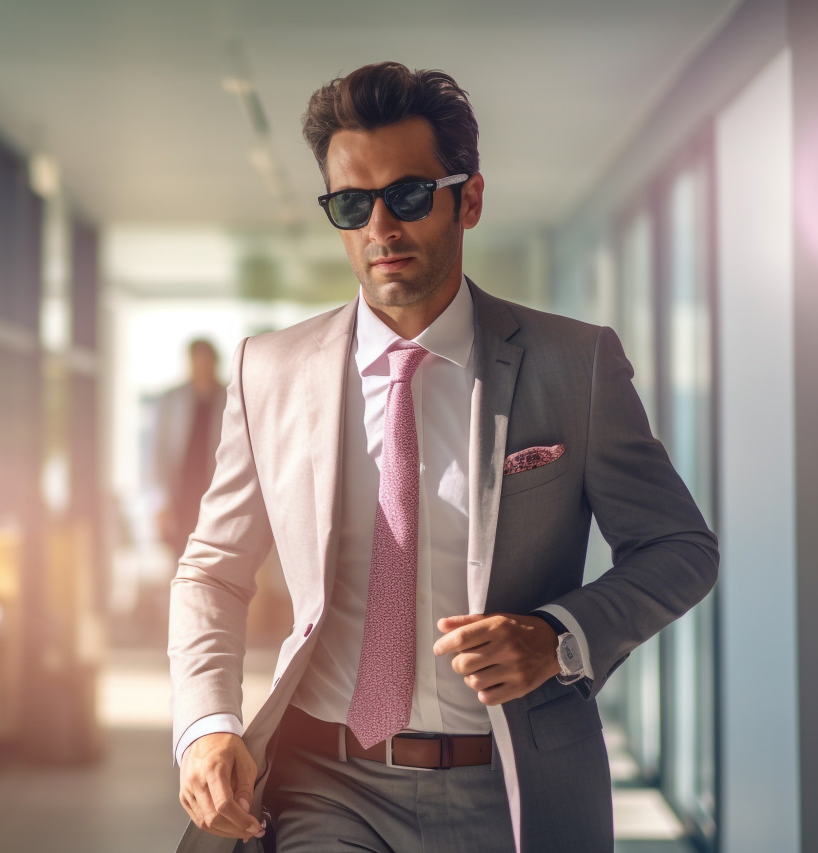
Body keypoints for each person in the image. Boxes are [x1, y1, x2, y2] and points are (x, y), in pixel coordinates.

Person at [168, 63, 717, 853]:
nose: (381, 227)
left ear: (471, 199)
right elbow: (214, 567)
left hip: (509, 782)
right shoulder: (269, 372)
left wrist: (556, 635)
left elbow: (680, 548)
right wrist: (207, 724)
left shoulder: (576, 365)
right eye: (352, 204)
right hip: (323, 782)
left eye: (410, 195)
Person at [152, 339, 227, 558]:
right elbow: (158, 452)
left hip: (213, 490)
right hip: (180, 494)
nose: (202, 367)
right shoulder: (171, 400)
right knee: (180, 555)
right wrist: (160, 502)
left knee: (213, 554)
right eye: (198, 361)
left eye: (207, 361)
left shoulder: (229, 398)